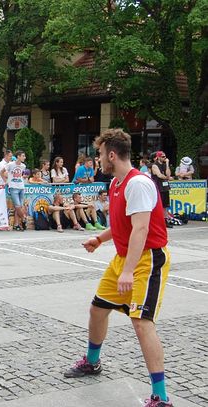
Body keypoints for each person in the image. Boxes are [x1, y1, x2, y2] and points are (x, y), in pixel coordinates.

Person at [64, 128, 173, 407]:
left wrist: (128, 271)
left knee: (141, 322)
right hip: (123, 258)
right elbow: (122, 225)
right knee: (98, 309)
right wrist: (100, 238)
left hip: (147, 261)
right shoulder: (116, 184)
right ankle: (92, 362)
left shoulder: (138, 184)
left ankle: (161, 398)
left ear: (112, 155)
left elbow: (140, 229)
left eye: (100, 154)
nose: (98, 160)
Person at [1, 150, 28, 231]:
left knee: (20, 206)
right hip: (13, 187)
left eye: (24, 156)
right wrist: (6, 181)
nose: (24, 157)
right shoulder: (10, 164)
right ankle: (24, 218)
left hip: (21, 187)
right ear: (18, 157)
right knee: (17, 205)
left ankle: (16, 224)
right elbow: (2, 172)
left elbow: (21, 175)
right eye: (23, 156)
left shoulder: (23, 166)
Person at [151, 151, 172, 220]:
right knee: (159, 204)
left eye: (165, 157)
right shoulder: (155, 165)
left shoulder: (164, 165)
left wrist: (167, 164)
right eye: (163, 157)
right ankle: (159, 219)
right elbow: (159, 175)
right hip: (158, 187)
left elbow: (168, 174)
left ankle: (165, 219)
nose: (164, 158)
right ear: (158, 157)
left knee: (165, 205)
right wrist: (167, 178)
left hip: (165, 187)